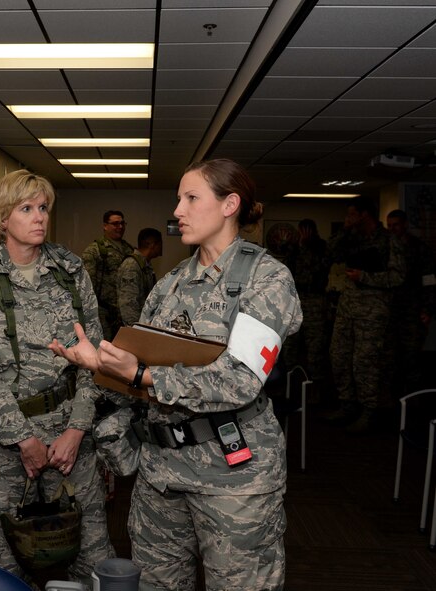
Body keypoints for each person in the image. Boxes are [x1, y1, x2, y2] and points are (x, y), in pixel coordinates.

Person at [50, 159, 302, 590]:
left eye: (191, 198)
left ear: (230, 205)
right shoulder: (169, 285)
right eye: (178, 199)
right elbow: (135, 377)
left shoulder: (267, 278)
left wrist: (143, 374)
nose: (178, 210)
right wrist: (104, 367)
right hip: (160, 476)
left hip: (233, 481)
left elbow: (239, 380)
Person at [0, 170, 114, 584]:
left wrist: (77, 429)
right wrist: (23, 439)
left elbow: (93, 359)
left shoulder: (70, 269)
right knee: (5, 561)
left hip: (67, 435)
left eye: (43, 208)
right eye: (26, 209)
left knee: (92, 551)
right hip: (5, 441)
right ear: (4, 218)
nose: (39, 217)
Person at [324, 197, 404, 434]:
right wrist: (344, 230)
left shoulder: (389, 241)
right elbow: (330, 254)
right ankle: (347, 405)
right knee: (338, 354)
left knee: (365, 361)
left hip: (373, 310)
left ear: (364, 214)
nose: (348, 219)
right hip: (348, 306)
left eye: (351, 215)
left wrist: (365, 277)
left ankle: (370, 411)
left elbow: (398, 277)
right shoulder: (352, 237)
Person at [384, 209, 435, 397]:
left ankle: (413, 397)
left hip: (413, 310)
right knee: (391, 355)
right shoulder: (386, 247)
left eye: (396, 225)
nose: (392, 229)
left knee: (411, 356)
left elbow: (429, 279)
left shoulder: (418, 247)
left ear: (404, 224)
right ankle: (393, 396)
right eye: (389, 226)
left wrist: (428, 309)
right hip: (391, 309)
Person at [282, 219, 331, 392]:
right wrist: (293, 246)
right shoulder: (294, 248)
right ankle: (290, 383)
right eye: (302, 230)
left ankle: (317, 387)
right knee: (290, 344)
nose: (304, 234)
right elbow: (287, 270)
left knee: (315, 345)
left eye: (307, 231)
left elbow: (320, 268)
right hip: (296, 299)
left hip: (315, 299)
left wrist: (308, 246)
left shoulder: (320, 247)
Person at [82, 210, 135, 340]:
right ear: (105, 226)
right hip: (103, 313)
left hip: (124, 312)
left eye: (122, 223)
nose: (120, 227)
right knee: (104, 349)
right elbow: (88, 286)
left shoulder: (129, 249)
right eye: (115, 224)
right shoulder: (94, 250)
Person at [117, 227, 163, 327]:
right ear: (152, 245)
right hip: (133, 327)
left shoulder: (144, 264)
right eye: (160, 243)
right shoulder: (132, 265)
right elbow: (128, 304)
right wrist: (136, 330)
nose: (162, 247)